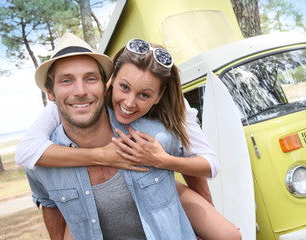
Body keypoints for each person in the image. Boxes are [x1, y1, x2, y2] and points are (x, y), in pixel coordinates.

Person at [22, 34, 241, 239]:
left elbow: (199, 161)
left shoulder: (157, 132)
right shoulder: (43, 156)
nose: (129, 103)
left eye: (90, 79)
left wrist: (163, 162)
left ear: (104, 83)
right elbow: (46, 197)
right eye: (66, 81)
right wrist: (102, 156)